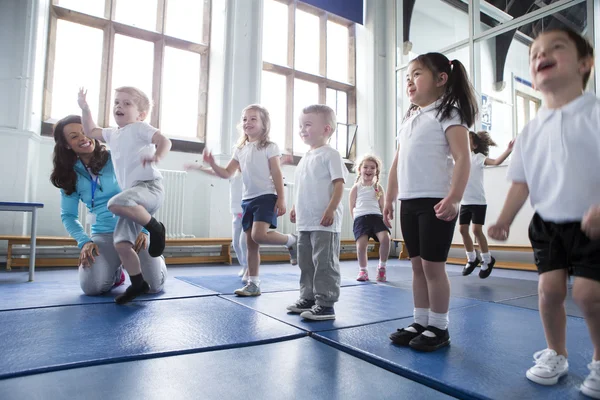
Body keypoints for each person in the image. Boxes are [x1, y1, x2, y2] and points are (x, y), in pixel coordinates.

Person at [488, 28, 600, 398]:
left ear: (585, 64)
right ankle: (556, 353)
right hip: (548, 224)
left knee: (588, 295)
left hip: (591, 222)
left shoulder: (595, 112)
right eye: (534, 52)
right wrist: (504, 218)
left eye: (556, 48)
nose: (541, 55)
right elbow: (521, 183)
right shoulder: (531, 130)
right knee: (548, 291)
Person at [384, 53, 477, 352]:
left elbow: (463, 158)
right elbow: (397, 162)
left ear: (441, 79)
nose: (410, 81)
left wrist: (455, 198)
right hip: (409, 202)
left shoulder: (449, 113)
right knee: (416, 267)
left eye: (417, 74)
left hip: (436, 201)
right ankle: (420, 320)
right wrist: (389, 196)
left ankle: (439, 326)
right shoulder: (409, 117)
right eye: (407, 77)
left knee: (433, 268)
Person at [50, 115, 167, 297]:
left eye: (85, 132)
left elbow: (148, 192)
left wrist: (145, 230)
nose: (83, 138)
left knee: (153, 286)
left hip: (134, 230)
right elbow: (68, 215)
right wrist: (85, 242)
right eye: (74, 136)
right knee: (92, 287)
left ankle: (155, 261)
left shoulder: (118, 159)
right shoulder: (69, 175)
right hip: (103, 234)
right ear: (66, 145)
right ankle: (116, 272)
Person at [78, 86, 171, 304]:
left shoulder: (140, 128)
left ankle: (156, 229)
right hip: (132, 195)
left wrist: (157, 156)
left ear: (141, 114)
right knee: (121, 243)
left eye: (127, 103)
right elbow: (91, 130)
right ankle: (138, 283)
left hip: (149, 187)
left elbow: (165, 141)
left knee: (114, 203)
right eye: (117, 102)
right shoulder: (112, 134)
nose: (119, 106)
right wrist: (84, 107)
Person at [203, 104, 297, 296]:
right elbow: (227, 172)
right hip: (247, 200)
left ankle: (291, 241)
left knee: (258, 235)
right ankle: (253, 283)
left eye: (253, 118)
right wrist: (213, 163)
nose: (248, 122)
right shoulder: (240, 149)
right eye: (245, 119)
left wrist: (281, 198)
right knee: (250, 244)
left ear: (264, 124)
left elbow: (276, 172)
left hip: (266, 196)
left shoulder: (270, 147)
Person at [286, 105, 347, 320]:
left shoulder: (331, 155)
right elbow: (303, 186)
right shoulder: (304, 158)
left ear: (327, 129)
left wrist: (331, 209)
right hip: (305, 221)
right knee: (306, 262)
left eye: (308, 125)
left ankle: (326, 303)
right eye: (300, 126)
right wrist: (295, 207)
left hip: (324, 222)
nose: (302, 129)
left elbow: (339, 185)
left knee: (324, 263)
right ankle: (308, 297)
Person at [460, 131, 513, 278]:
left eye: (468, 139)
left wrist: (508, 150)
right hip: (464, 201)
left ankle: (487, 260)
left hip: (478, 202)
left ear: (475, 145)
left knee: (477, 231)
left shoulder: (478, 158)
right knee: (463, 230)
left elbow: (496, 162)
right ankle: (472, 258)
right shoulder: (459, 158)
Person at [349, 154, 391, 282]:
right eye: (365, 167)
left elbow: (383, 205)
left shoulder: (378, 188)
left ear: (376, 171)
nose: (368, 170)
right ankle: (363, 270)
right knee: (361, 246)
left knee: (386, 239)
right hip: (361, 218)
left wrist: (386, 218)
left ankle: (382, 267)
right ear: (360, 170)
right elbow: (352, 206)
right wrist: (355, 220)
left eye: (372, 168)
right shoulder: (356, 187)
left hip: (376, 217)